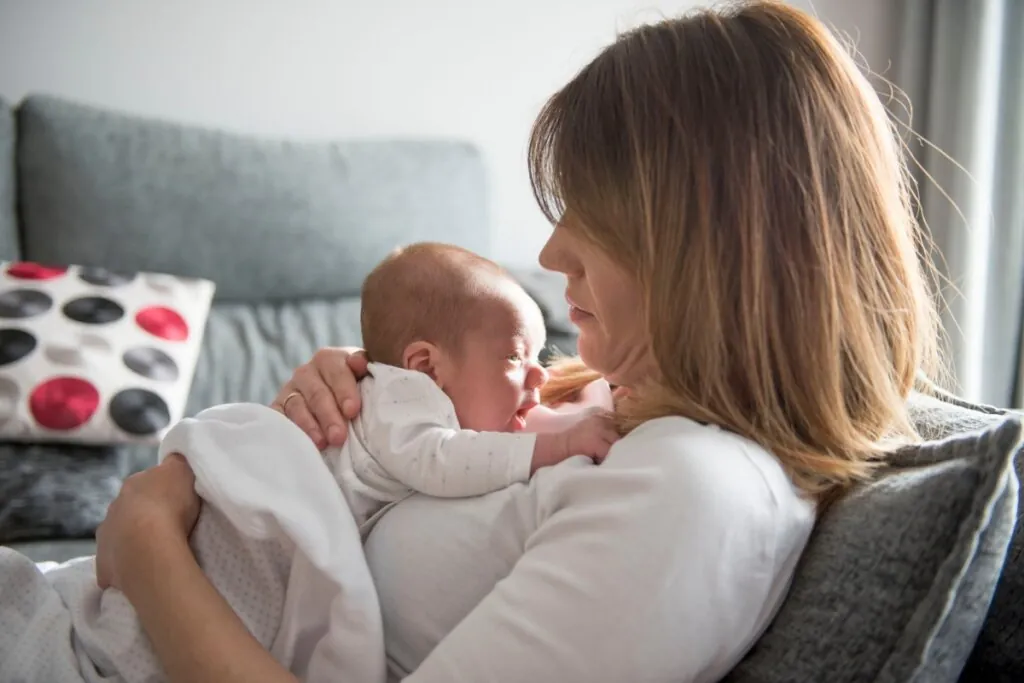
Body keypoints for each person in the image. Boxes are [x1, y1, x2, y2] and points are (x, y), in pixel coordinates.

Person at [94, 2, 941, 682]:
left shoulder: (696, 493)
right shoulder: (600, 398)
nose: (547, 253)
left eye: (593, 211)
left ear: (716, 244)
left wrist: (149, 546)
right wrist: (339, 399)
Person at [318, 241, 621, 534]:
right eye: (515, 356)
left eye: (537, 357)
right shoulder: (400, 395)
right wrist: (562, 445)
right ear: (426, 367)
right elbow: (440, 461)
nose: (541, 376)